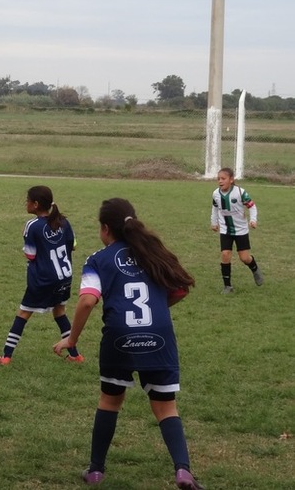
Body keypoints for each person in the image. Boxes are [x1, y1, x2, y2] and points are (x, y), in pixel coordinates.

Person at [53, 198, 204, 490]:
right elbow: (182, 288)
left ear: (105, 228)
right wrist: (159, 308)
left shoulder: (98, 259)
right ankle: (183, 471)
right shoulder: (154, 252)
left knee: (110, 401)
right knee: (166, 407)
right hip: (159, 337)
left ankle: (96, 470)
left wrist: (71, 339)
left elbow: (86, 300)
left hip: (119, 337)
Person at [0, 185, 83, 365]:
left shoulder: (32, 225)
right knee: (59, 311)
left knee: (23, 313)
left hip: (43, 279)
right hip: (64, 278)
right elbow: (73, 245)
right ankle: (75, 355)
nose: (25, 203)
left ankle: (6, 356)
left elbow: (30, 255)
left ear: (35, 204)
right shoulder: (63, 221)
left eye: (27, 200)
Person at [210, 167, 263, 294]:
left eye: (223, 178)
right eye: (218, 179)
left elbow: (252, 206)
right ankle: (227, 286)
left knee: (244, 258)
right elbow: (215, 209)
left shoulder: (240, 192)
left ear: (231, 180)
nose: (220, 181)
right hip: (225, 230)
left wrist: (253, 220)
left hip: (241, 230)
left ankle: (255, 269)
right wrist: (213, 222)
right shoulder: (216, 194)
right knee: (225, 254)